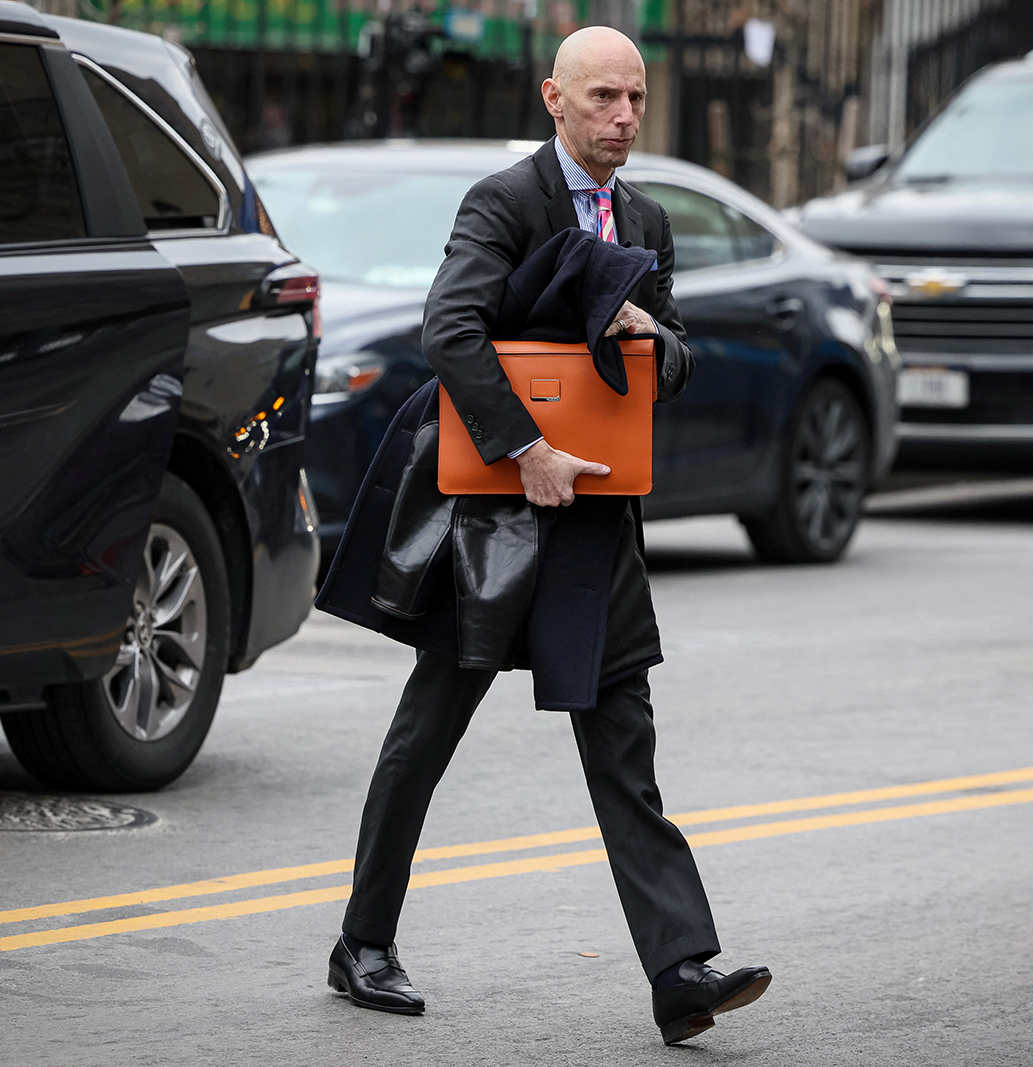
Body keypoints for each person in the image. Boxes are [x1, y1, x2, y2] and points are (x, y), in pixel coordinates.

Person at [324, 26, 771, 1047]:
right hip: (492, 512)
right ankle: (362, 942)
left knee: (624, 741)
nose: (622, 116)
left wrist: (655, 339)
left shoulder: (647, 216)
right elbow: (449, 328)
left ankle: (678, 969)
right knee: (425, 734)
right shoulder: (504, 202)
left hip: (599, 518)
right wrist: (526, 447)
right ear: (553, 100)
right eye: (603, 97)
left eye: (635, 99)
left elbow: (681, 355)